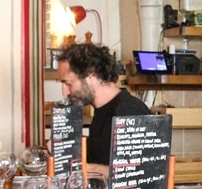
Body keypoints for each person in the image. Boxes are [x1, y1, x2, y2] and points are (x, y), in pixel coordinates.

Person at [56, 42, 150, 179]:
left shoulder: (129, 112)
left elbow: (140, 173)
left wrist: (84, 169)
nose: (64, 92)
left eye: (68, 83)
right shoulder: (101, 110)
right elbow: (101, 155)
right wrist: (64, 148)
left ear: (91, 75)